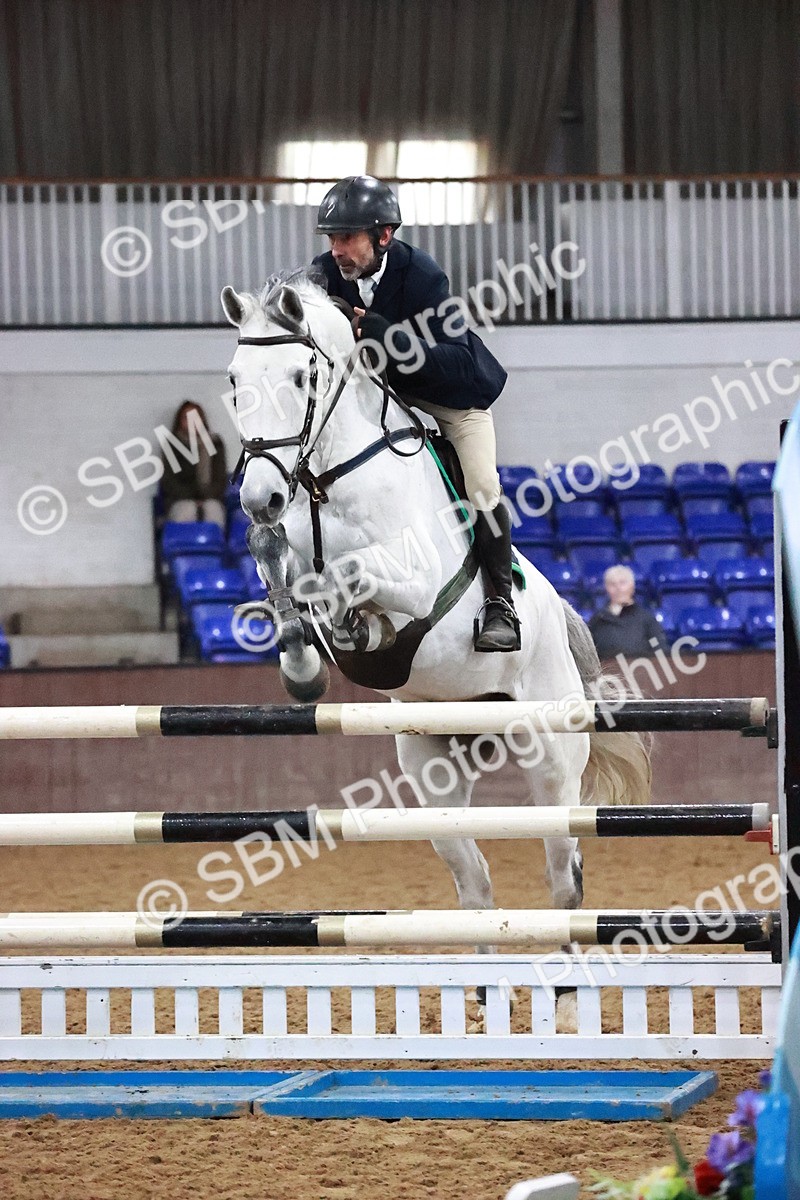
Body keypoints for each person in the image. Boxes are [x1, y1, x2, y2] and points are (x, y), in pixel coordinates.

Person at [311, 174, 519, 653]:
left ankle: (500, 604)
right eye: (332, 238)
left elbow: (454, 359)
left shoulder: (422, 274)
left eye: (347, 238)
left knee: (483, 484)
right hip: (382, 398)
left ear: (383, 235)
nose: (337, 249)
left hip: (450, 395)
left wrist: (386, 334)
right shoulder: (325, 273)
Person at [161, 400, 227, 528]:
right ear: (179, 421)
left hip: (211, 498)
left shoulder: (215, 443)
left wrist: (205, 497)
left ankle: (213, 547)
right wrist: (193, 498)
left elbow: (220, 478)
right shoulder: (172, 445)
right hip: (180, 499)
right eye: (187, 418)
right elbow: (169, 481)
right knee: (187, 510)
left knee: (213, 510)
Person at [588, 565, 669, 661]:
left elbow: (661, 652)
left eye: (622, 583)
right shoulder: (597, 620)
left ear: (632, 586)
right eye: (612, 584)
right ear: (606, 588)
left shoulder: (647, 619)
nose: (618, 588)